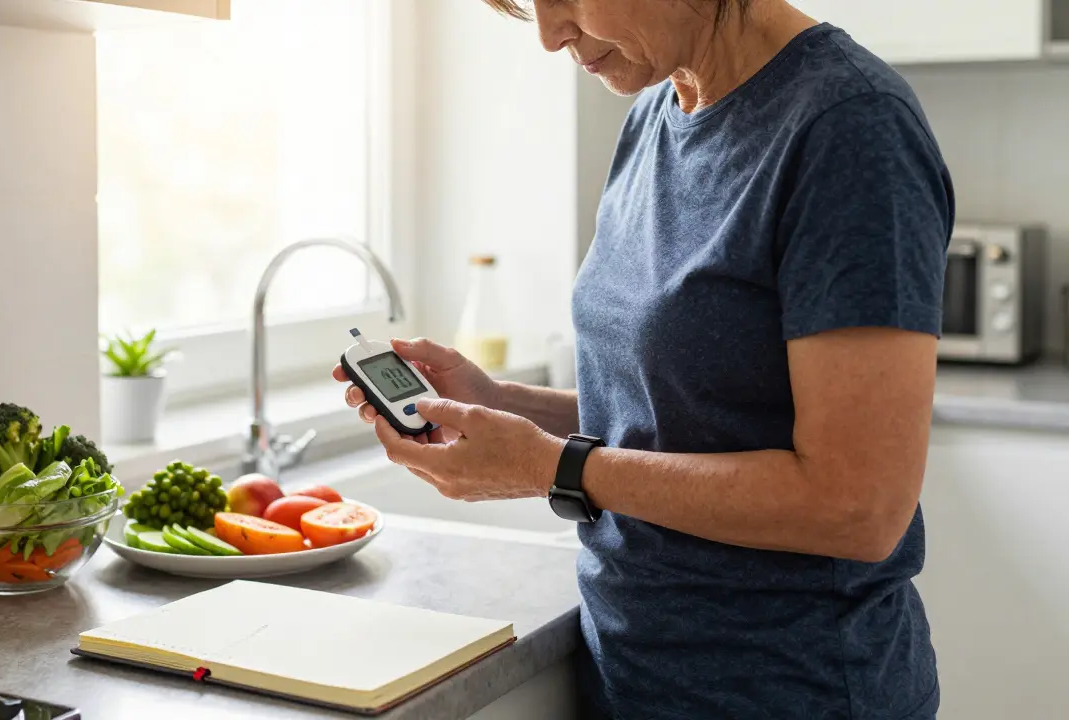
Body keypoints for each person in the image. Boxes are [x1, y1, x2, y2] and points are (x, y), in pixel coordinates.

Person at [335, 0, 952, 717]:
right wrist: (502, 405)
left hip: (792, 692)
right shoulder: (657, 111)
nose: (550, 36)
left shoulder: (851, 127)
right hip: (634, 676)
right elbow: (682, 415)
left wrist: (552, 467)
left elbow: (857, 508)